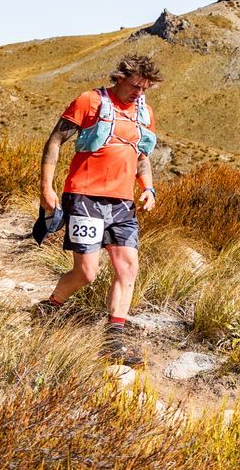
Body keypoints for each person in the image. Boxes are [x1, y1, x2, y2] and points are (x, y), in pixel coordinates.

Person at [36, 54, 162, 364]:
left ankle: (112, 341)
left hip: (123, 202)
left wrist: (147, 187)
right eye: (134, 86)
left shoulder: (143, 113)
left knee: (127, 267)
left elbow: (141, 155)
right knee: (86, 273)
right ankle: (49, 307)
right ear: (120, 78)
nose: (138, 93)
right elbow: (55, 141)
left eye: (144, 88)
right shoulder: (89, 101)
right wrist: (46, 187)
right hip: (85, 197)